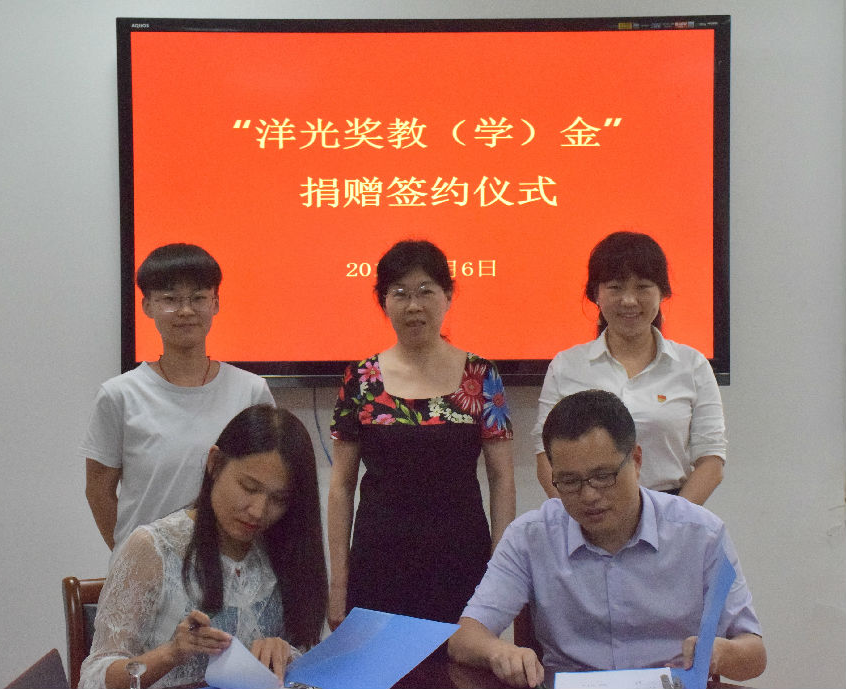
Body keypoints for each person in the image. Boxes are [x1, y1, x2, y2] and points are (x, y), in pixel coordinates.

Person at [449, 390, 765, 689]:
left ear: (636, 460)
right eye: (569, 481)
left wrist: (721, 653)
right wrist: (498, 652)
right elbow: (464, 638)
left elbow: (754, 654)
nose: (589, 495)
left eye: (603, 476)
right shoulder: (530, 537)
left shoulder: (701, 534)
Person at [328, 239, 515, 628]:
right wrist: (339, 582)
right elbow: (341, 486)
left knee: (460, 661)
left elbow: (502, 479)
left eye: (426, 291)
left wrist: (500, 574)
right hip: (378, 561)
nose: (414, 306)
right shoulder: (360, 378)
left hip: (461, 558)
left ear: (448, 296)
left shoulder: (481, 375)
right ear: (383, 302)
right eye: (400, 293)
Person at [79, 404, 327, 689]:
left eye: (279, 499)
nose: (258, 511)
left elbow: (309, 663)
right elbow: (93, 679)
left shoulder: (283, 549)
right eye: (248, 487)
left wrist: (286, 653)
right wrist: (170, 653)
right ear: (215, 464)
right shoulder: (154, 548)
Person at [80, 243, 274, 551]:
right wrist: (132, 556)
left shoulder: (250, 390)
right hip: (147, 567)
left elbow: (267, 483)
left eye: (198, 298)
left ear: (215, 303)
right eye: (170, 299)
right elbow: (98, 492)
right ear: (147, 306)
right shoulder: (119, 395)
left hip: (229, 564)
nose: (185, 311)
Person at [531, 231, 726, 504]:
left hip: (670, 511)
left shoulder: (692, 365)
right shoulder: (566, 366)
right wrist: (580, 513)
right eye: (615, 287)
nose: (629, 300)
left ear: (662, 293)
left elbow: (711, 460)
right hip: (587, 509)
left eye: (643, 287)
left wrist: (670, 520)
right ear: (596, 294)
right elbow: (545, 455)